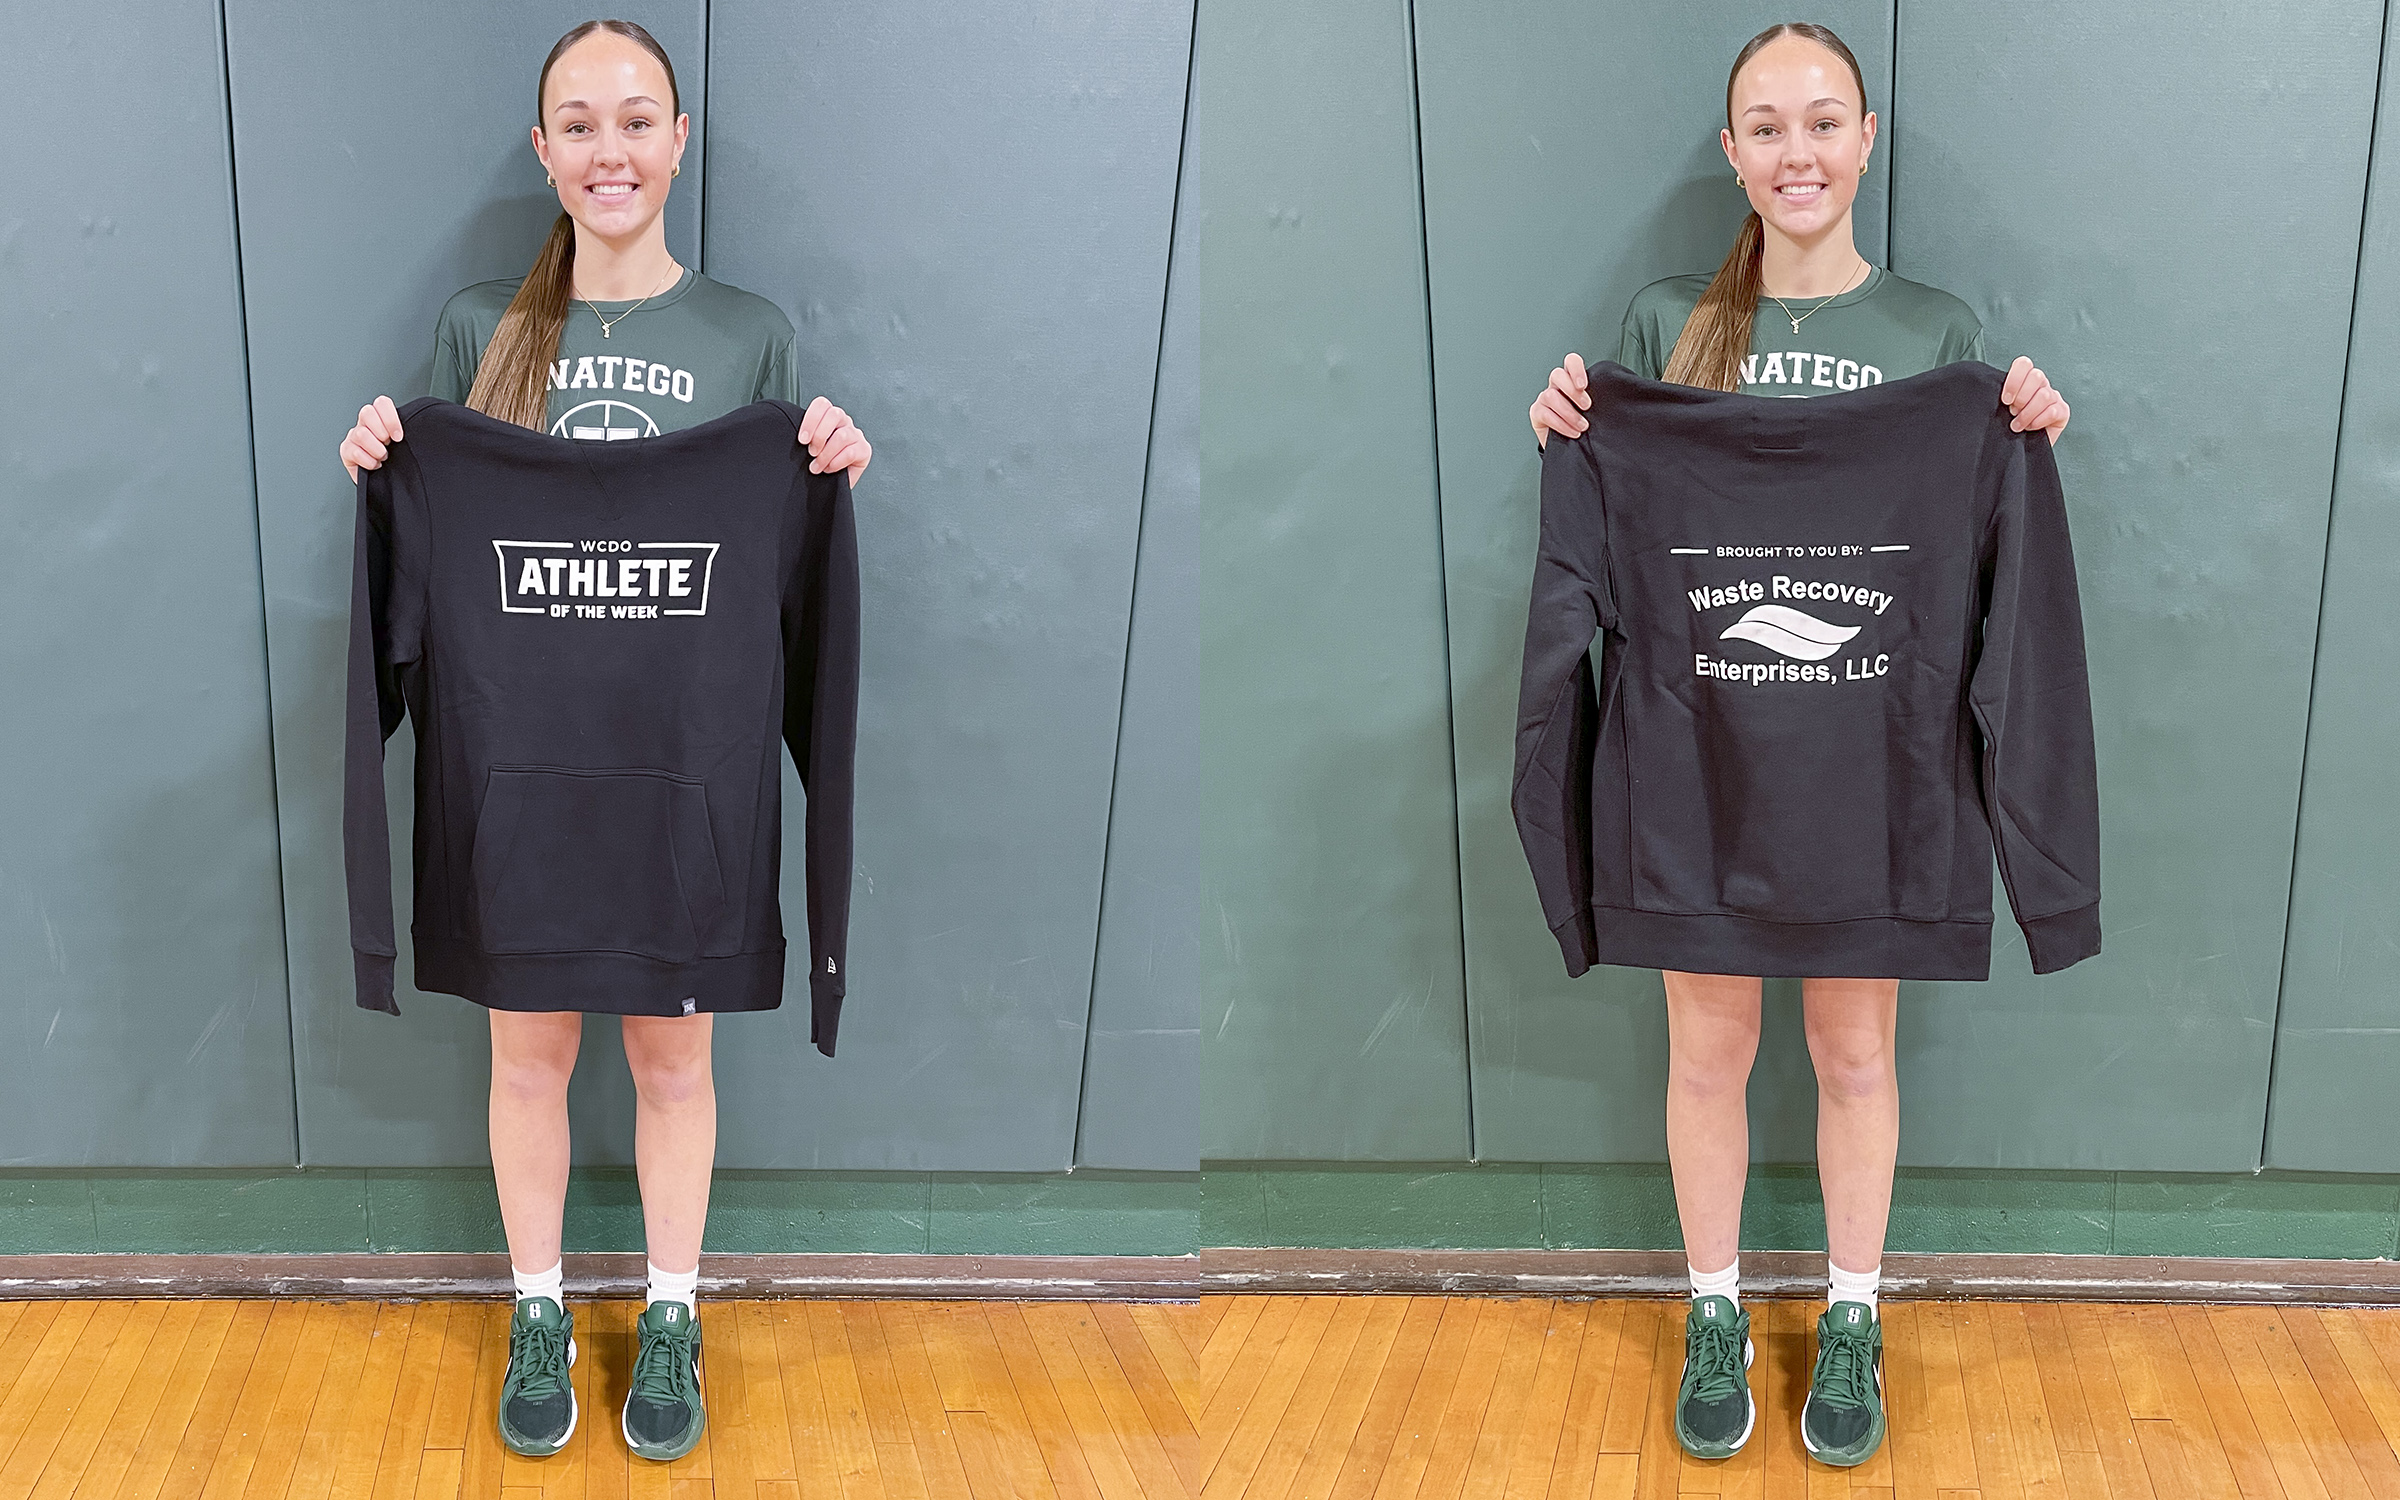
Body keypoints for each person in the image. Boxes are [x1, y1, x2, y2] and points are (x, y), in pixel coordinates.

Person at [1526, 22, 2069, 1470]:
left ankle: (1851, 1313)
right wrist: (1565, 426)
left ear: (1868, 139)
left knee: (1851, 1047)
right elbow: (1616, 503)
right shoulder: (1663, 323)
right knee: (1708, 1046)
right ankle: (1713, 1308)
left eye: (1823, 122)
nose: (1797, 153)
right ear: (1732, 154)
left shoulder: (1939, 335)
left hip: (1873, 760)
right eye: (1765, 127)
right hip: (1700, 749)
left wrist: (2025, 427)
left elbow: (1979, 519)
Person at [338, 19, 871, 1463]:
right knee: (527, 1057)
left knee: (674, 1064)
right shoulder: (479, 327)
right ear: (544, 153)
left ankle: (675, 1311)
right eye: (578, 124)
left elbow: (768, 550)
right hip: (518, 777)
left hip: (679, 776)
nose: (609, 150)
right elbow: (435, 542)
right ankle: (537, 1306)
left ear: (680, 140)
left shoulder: (748, 333)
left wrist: (822, 457)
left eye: (637, 120)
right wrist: (385, 458)